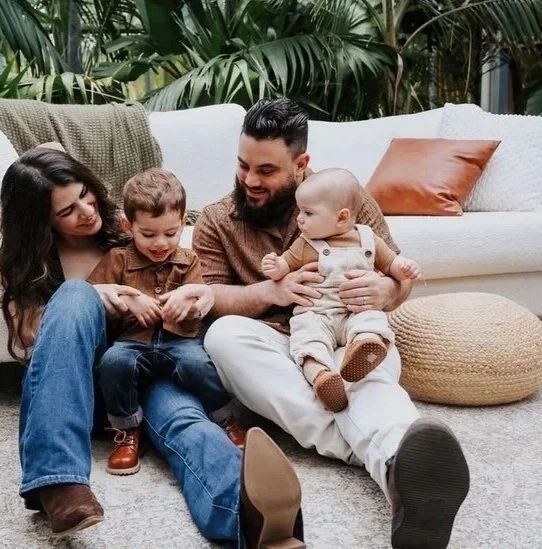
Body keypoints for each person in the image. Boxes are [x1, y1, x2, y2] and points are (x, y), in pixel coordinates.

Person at [193, 98, 470, 549]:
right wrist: (271, 292)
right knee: (223, 336)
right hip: (275, 349)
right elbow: (209, 296)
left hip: (348, 335)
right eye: (244, 165)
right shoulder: (216, 220)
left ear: (301, 164)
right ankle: (392, 461)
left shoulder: (344, 198)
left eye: (266, 170)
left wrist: (388, 291)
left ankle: (401, 473)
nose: (249, 179)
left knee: (365, 365)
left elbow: (396, 274)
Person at [0, 145, 305, 548]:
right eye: (67, 211)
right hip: (94, 387)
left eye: (86, 196)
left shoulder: (129, 233)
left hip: (155, 368)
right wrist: (101, 295)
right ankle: (58, 481)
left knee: (186, 422)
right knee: (75, 295)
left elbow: (192, 286)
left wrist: (190, 301)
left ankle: (253, 521)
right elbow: (28, 335)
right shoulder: (35, 263)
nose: (87, 211)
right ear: (39, 221)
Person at [89, 168, 246, 475]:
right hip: (133, 342)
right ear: (127, 225)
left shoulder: (189, 260)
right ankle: (126, 431)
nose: (160, 243)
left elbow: (200, 301)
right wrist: (128, 300)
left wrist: (186, 304)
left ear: (184, 221)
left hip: (179, 340)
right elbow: (96, 301)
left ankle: (226, 418)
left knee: (199, 364)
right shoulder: (117, 259)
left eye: (170, 233)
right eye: (148, 234)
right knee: (113, 363)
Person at [261, 168, 421, 412]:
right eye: (299, 212)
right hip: (318, 313)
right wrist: (273, 266)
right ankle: (322, 376)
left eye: (308, 213)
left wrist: (404, 268)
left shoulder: (368, 239)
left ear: (342, 217)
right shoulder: (306, 244)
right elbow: (283, 266)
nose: (299, 219)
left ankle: (365, 348)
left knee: (371, 319)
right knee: (307, 338)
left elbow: (390, 264)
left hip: (354, 310)